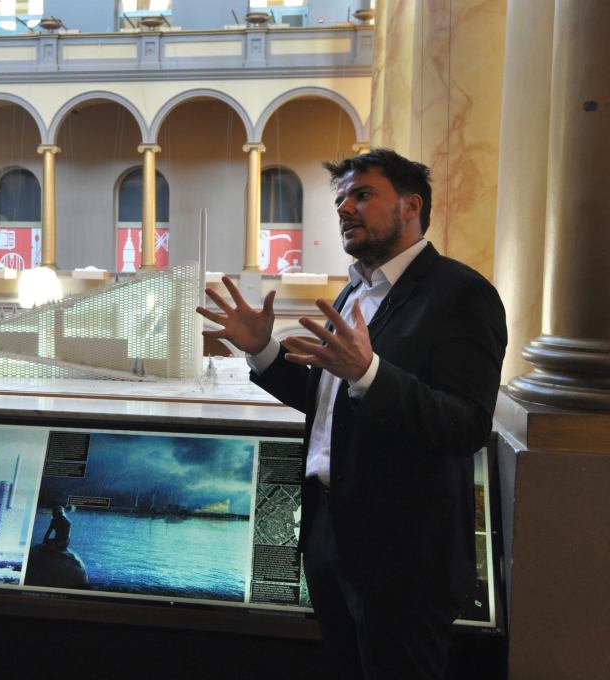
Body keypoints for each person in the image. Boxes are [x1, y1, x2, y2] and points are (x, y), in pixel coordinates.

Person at [197, 148, 506, 679]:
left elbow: (466, 425)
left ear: (411, 206)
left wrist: (369, 373)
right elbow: (331, 403)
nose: (344, 208)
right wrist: (263, 351)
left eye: (362, 195)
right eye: (341, 199)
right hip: (329, 534)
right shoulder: (354, 292)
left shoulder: (462, 295)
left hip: (405, 556)